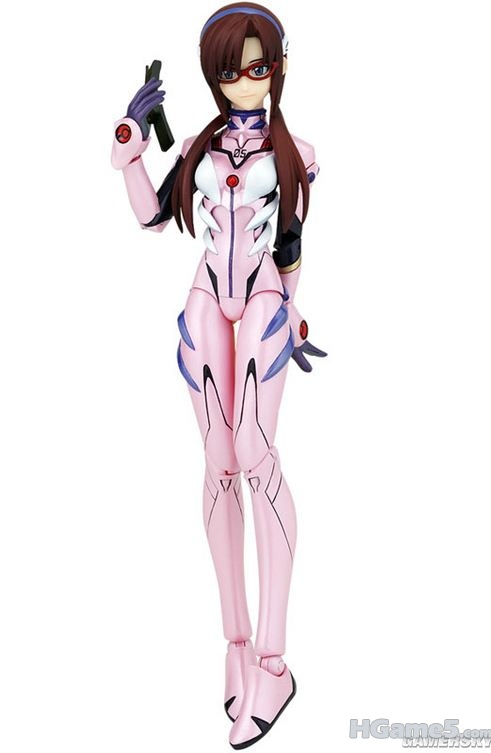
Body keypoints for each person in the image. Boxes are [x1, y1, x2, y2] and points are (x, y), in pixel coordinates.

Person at [111, 3, 326, 747]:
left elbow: (290, 243)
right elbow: (152, 218)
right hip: (206, 293)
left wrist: (293, 314)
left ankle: (274, 660)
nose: (243, 82)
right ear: (214, 75)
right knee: (218, 459)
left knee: (257, 455)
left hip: (261, 294)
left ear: (277, 68)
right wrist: (132, 154)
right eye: (230, 70)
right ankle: (236, 649)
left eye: (256, 68)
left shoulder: (295, 152)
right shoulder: (201, 148)